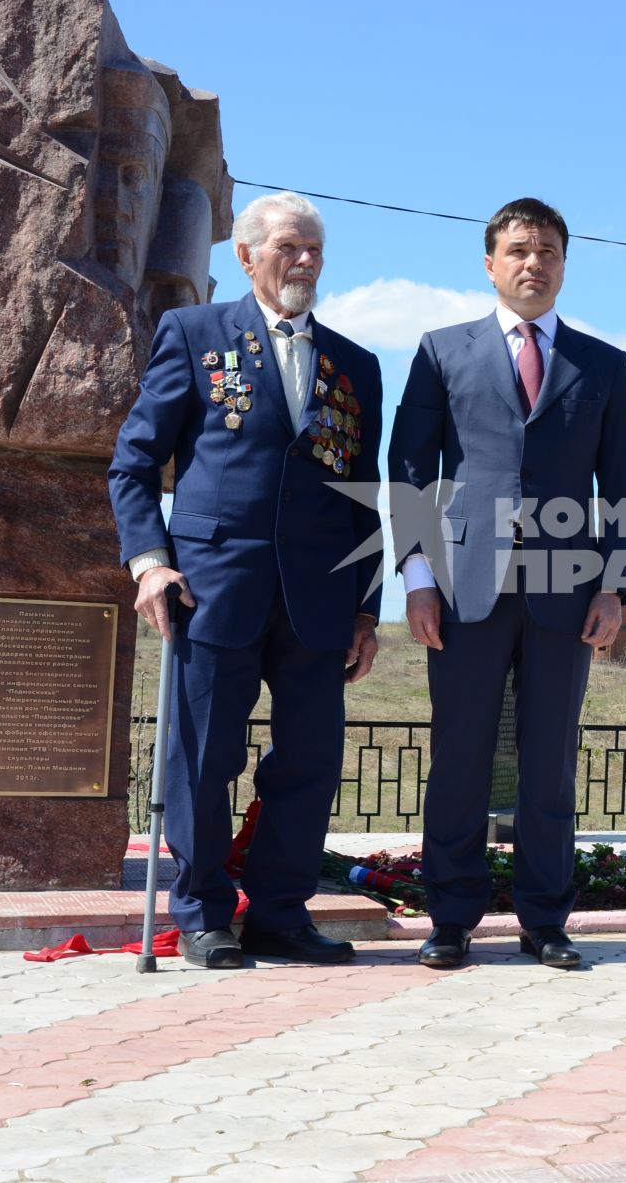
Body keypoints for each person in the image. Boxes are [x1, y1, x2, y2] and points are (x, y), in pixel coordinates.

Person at [109, 191, 383, 969]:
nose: (303, 262)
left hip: (319, 603)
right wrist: (149, 559)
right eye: (288, 248)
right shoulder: (194, 335)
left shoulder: (354, 366)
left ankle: (281, 913)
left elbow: (363, 498)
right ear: (245, 256)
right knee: (202, 756)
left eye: (315, 251)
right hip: (211, 589)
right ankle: (201, 912)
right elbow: (133, 463)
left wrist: (367, 610)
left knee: (308, 759)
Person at [388, 197, 626, 970]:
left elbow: (623, 482)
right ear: (491, 263)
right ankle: (451, 920)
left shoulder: (604, 365)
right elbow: (408, 469)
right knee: (460, 755)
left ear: (564, 265)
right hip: (465, 590)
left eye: (550, 252)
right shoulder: (442, 350)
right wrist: (419, 576)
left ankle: (545, 919)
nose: (535, 263)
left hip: (567, 592)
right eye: (521, 250)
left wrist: (615, 587)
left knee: (548, 761)